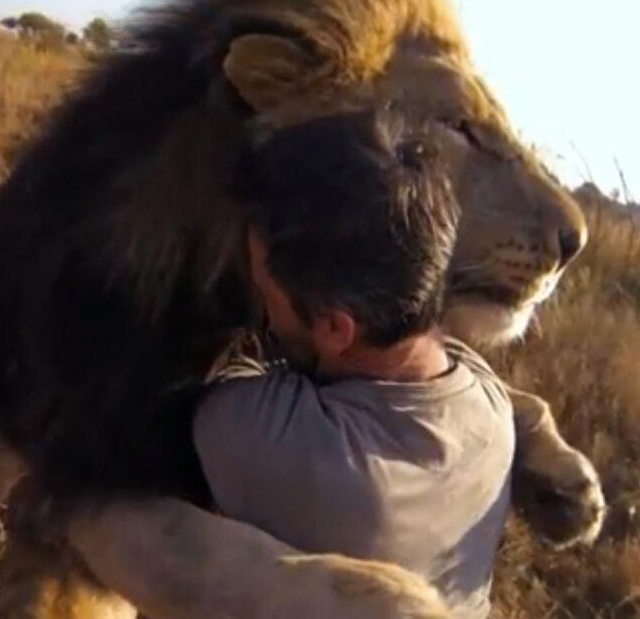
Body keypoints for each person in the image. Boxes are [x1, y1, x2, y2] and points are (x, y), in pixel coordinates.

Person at [194, 111, 514, 618]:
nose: (258, 299)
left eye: (262, 286)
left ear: (335, 329)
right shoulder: (492, 409)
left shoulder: (265, 436)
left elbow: (216, 384)